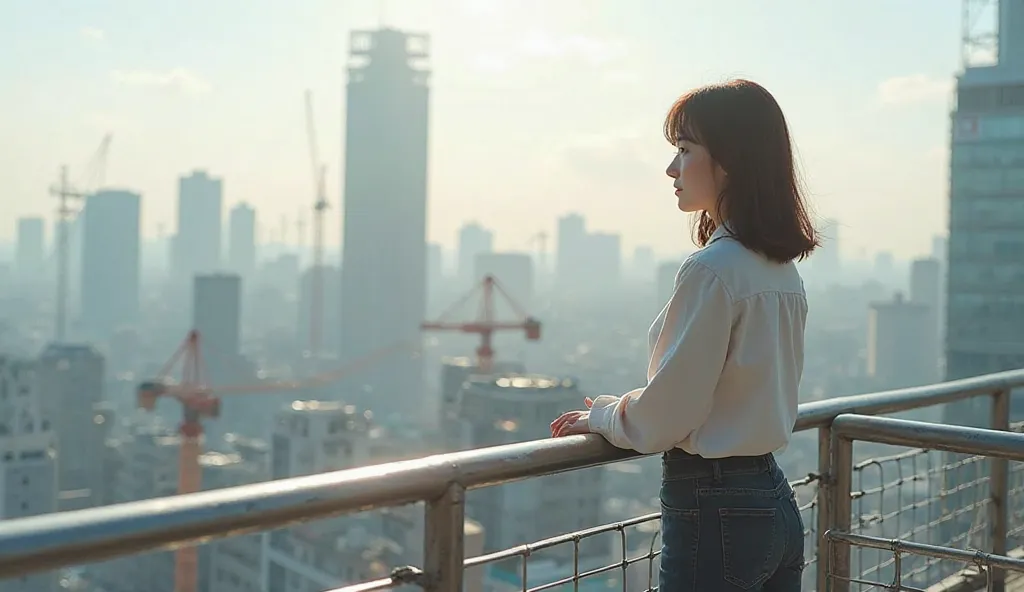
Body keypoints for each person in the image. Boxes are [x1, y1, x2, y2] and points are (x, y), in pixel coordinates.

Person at [550, 79, 817, 592]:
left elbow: (666, 418)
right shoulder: (781, 270)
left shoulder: (713, 270)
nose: (672, 169)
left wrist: (603, 415)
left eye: (685, 150)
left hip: (715, 508)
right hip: (774, 501)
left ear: (730, 160)